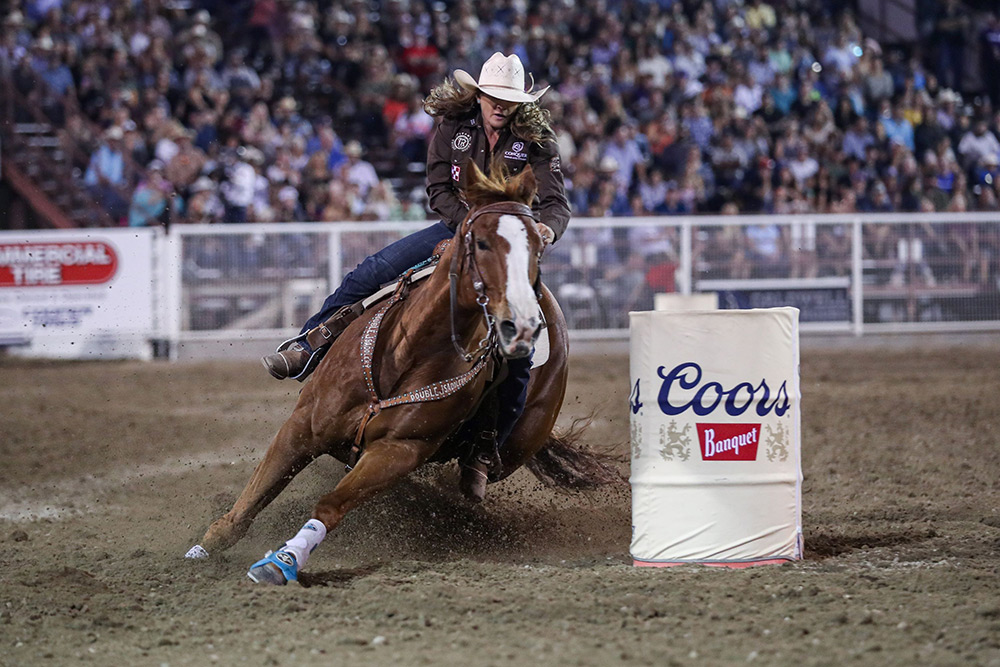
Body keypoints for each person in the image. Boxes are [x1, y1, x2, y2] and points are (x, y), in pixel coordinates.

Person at [261, 53, 570, 499]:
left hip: (505, 245)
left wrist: (545, 230)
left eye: (509, 99)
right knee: (372, 273)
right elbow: (439, 190)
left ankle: (484, 447)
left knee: (521, 346)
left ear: (520, 102)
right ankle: (309, 346)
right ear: (479, 95)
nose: (500, 106)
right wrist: (466, 228)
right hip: (454, 227)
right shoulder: (451, 126)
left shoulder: (536, 140)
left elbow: (556, 204)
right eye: (494, 97)